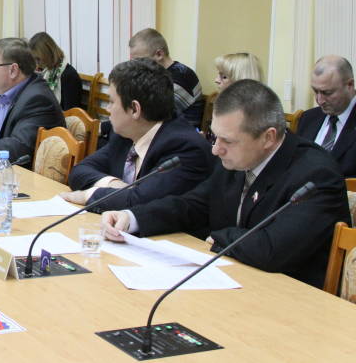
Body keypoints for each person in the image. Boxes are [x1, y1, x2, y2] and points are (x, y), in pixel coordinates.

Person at [101, 79, 351, 288]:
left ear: (268, 137)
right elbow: (193, 205)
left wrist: (217, 237)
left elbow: (272, 249)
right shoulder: (238, 158)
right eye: (214, 136)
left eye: (227, 141)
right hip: (237, 280)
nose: (215, 149)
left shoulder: (316, 176)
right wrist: (133, 218)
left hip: (290, 298)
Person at [61, 58, 213, 210]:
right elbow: (79, 171)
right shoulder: (126, 134)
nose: (108, 109)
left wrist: (89, 195)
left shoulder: (185, 148)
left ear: (135, 109)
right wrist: (114, 184)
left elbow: (142, 201)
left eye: (112, 102)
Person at [129, 27, 204, 128]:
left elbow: (153, 117)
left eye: (140, 60)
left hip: (179, 133)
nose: (136, 66)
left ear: (159, 54)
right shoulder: (156, 74)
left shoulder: (182, 77)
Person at [297, 55, 356, 177]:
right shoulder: (308, 118)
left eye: (327, 93)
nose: (319, 100)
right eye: (315, 91)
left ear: (349, 85)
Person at [29, 31, 82, 110]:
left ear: (48, 54)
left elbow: (71, 111)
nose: (37, 64)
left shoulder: (69, 76)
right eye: (34, 59)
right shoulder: (48, 71)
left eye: (38, 59)